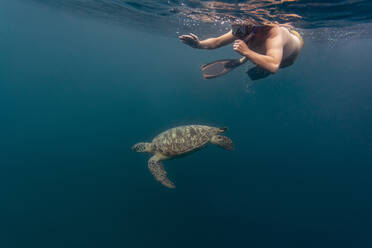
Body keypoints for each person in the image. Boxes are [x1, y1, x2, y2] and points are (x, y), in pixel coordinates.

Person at [178, 21, 303, 80]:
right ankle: (246, 58)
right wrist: (198, 44)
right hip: (263, 51)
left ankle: (245, 58)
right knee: (251, 47)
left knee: (262, 61)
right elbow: (217, 41)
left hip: (287, 59)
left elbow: (274, 65)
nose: (237, 32)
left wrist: (247, 52)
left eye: (241, 28)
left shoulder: (273, 33)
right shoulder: (242, 28)